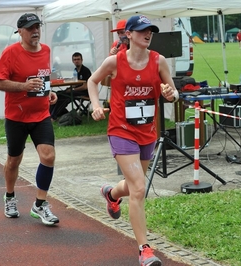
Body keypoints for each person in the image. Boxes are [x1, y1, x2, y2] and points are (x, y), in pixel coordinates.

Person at [87, 15, 179, 266]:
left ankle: (112, 194)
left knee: (132, 185)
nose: (147, 34)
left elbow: (174, 93)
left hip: (147, 132)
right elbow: (92, 81)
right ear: (128, 34)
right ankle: (144, 250)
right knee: (139, 188)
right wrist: (95, 105)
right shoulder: (114, 62)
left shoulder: (158, 61)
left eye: (150, 31)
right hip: (121, 130)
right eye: (142, 30)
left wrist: (170, 92)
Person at [0, 13, 59, 225]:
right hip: (16, 116)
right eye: (30, 28)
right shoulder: (10, 53)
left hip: (41, 115)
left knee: (48, 156)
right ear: (20, 32)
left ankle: (40, 204)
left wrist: (48, 92)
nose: (35, 31)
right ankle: (10, 197)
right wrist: (23, 86)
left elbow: (42, 79)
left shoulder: (47, 50)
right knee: (14, 160)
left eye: (37, 27)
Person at [49, 52, 92, 121]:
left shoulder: (85, 70)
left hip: (85, 92)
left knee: (66, 95)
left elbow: (85, 87)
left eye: (78, 59)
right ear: (72, 61)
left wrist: (73, 89)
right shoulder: (76, 70)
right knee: (58, 94)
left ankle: (53, 116)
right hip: (78, 91)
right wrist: (68, 84)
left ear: (82, 60)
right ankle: (54, 114)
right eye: (75, 60)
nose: (76, 61)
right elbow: (75, 83)